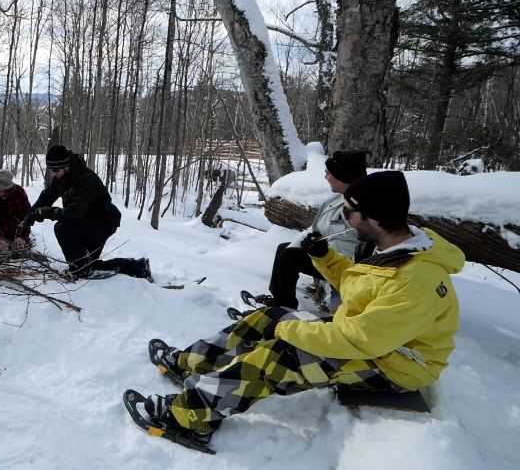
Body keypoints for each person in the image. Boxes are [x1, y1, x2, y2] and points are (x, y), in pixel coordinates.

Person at [129, 171, 463, 448]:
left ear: (373, 218)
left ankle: (190, 418)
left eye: (349, 212)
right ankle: (192, 364)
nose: (343, 218)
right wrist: (325, 257)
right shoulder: (399, 249)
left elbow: (360, 340)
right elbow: (361, 290)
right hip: (376, 339)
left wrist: (288, 332)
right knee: (269, 317)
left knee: (278, 356)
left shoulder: (415, 279)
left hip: (393, 366)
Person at [255, 150, 373, 309]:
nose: (325, 177)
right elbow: (314, 229)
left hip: (344, 265)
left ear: (341, 177)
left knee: (290, 256)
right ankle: (280, 300)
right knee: (284, 249)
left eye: (328, 173)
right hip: (327, 257)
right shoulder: (334, 201)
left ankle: (283, 307)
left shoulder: (361, 206)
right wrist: (301, 245)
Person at [17, 145, 151, 280]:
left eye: (55, 170)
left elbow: (74, 213)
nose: (53, 173)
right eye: (50, 170)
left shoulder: (86, 179)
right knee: (87, 264)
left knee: (63, 229)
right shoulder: (61, 178)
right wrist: (28, 218)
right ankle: (138, 266)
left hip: (103, 221)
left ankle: (81, 272)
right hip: (84, 221)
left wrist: (46, 212)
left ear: (66, 165)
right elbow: (46, 197)